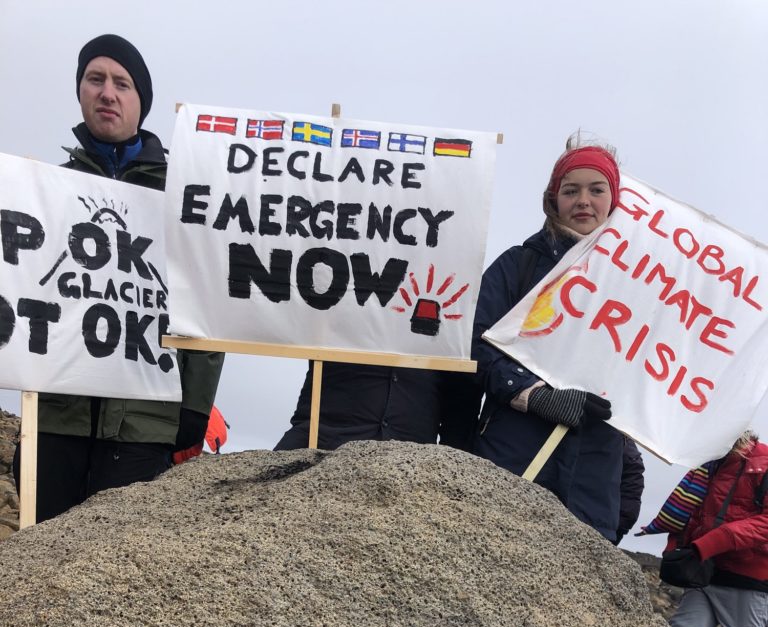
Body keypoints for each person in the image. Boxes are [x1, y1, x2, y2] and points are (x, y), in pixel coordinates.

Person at [14, 34, 224, 522]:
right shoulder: (42, 191)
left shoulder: (183, 197)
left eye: (122, 83)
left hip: (143, 426)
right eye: (95, 79)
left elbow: (209, 297)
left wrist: (195, 406)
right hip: (54, 418)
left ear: (140, 102)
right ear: (81, 92)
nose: (107, 92)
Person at [472, 138, 636, 541]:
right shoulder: (518, 265)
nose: (583, 200)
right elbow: (475, 340)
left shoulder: (638, 284)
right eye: (570, 190)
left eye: (597, 190)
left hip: (594, 470)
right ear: (553, 199)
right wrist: (533, 395)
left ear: (614, 200)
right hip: (511, 452)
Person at [639, 431, 768, 627]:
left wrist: (704, 546)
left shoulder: (762, 463)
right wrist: (679, 551)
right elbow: (692, 514)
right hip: (705, 573)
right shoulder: (709, 463)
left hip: (747, 582)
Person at [274, 362, 477, 453]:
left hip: (413, 457)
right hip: (321, 440)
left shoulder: (450, 304)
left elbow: (462, 400)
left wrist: (453, 461)